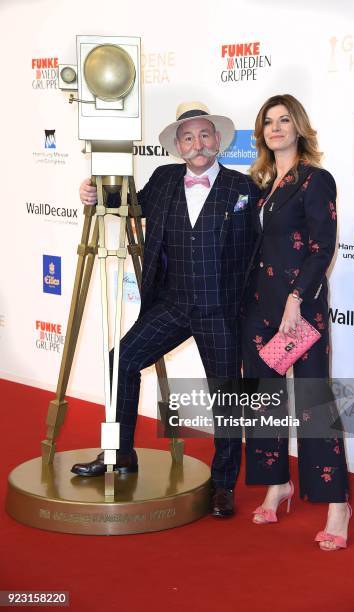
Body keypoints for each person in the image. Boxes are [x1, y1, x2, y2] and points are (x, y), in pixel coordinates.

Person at [71, 102, 260, 518]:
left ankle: (224, 485)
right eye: (188, 137)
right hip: (172, 304)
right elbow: (131, 203)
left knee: (226, 396)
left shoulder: (243, 188)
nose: (198, 144)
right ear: (177, 146)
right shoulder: (163, 178)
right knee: (121, 360)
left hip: (220, 310)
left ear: (219, 141)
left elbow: (259, 251)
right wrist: (96, 192)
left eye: (205, 135)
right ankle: (119, 454)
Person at [241, 94, 351, 550]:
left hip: (299, 307)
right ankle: (276, 485)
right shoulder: (262, 184)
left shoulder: (316, 180)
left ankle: (338, 505)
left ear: (299, 126)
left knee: (312, 403)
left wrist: (295, 297)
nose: (276, 127)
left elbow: (321, 248)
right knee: (264, 399)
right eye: (269, 121)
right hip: (259, 306)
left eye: (285, 120)